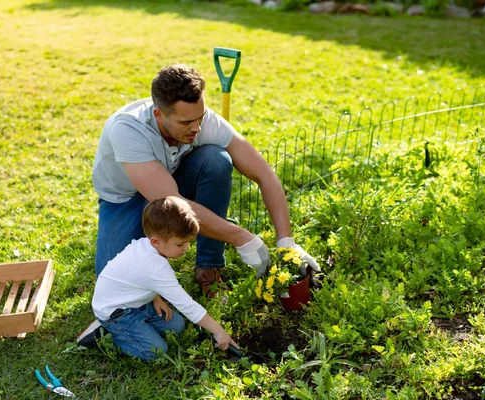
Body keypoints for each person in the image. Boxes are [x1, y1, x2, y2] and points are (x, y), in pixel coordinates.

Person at [78, 64, 319, 347]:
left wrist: (286, 240)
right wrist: (242, 238)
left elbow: (264, 173)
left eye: (200, 118)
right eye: (185, 123)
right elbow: (173, 205)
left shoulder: (200, 122)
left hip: (170, 183)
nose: (196, 128)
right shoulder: (128, 130)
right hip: (125, 200)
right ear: (159, 114)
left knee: (216, 161)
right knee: (114, 280)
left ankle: (208, 269)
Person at [88, 196, 238, 361]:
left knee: (176, 326)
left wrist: (156, 297)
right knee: (156, 351)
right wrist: (218, 331)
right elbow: (187, 305)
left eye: (188, 242)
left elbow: (141, 279)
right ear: (156, 241)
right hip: (115, 312)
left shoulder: (148, 246)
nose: (186, 248)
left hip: (132, 301)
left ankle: (137, 326)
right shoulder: (156, 268)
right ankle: (105, 334)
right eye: (180, 244)